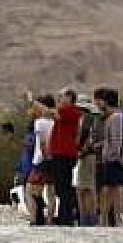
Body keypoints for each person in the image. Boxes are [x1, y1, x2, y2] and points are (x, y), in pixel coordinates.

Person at [47, 88, 82, 225]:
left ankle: (67, 217)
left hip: (64, 153)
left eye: (61, 96)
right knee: (62, 186)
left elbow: (51, 113)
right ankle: (64, 215)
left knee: (64, 186)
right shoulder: (66, 112)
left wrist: (34, 102)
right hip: (61, 153)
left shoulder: (70, 111)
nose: (59, 98)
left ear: (69, 98)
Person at [98, 89, 123, 227]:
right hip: (114, 159)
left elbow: (117, 140)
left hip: (115, 160)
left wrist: (111, 157)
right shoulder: (114, 117)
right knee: (111, 189)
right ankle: (108, 219)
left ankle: (117, 218)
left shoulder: (116, 117)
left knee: (115, 189)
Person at [27, 96, 56, 225]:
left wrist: (45, 156)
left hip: (41, 160)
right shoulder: (55, 121)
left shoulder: (39, 122)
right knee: (51, 192)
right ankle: (49, 219)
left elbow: (43, 142)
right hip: (54, 159)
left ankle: (34, 218)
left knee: (30, 190)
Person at [75, 92, 102, 227]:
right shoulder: (96, 118)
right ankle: (89, 217)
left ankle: (87, 218)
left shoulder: (86, 118)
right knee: (87, 187)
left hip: (87, 156)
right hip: (91, 155)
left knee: (85, 188)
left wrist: (79, 150)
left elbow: (85, 137)